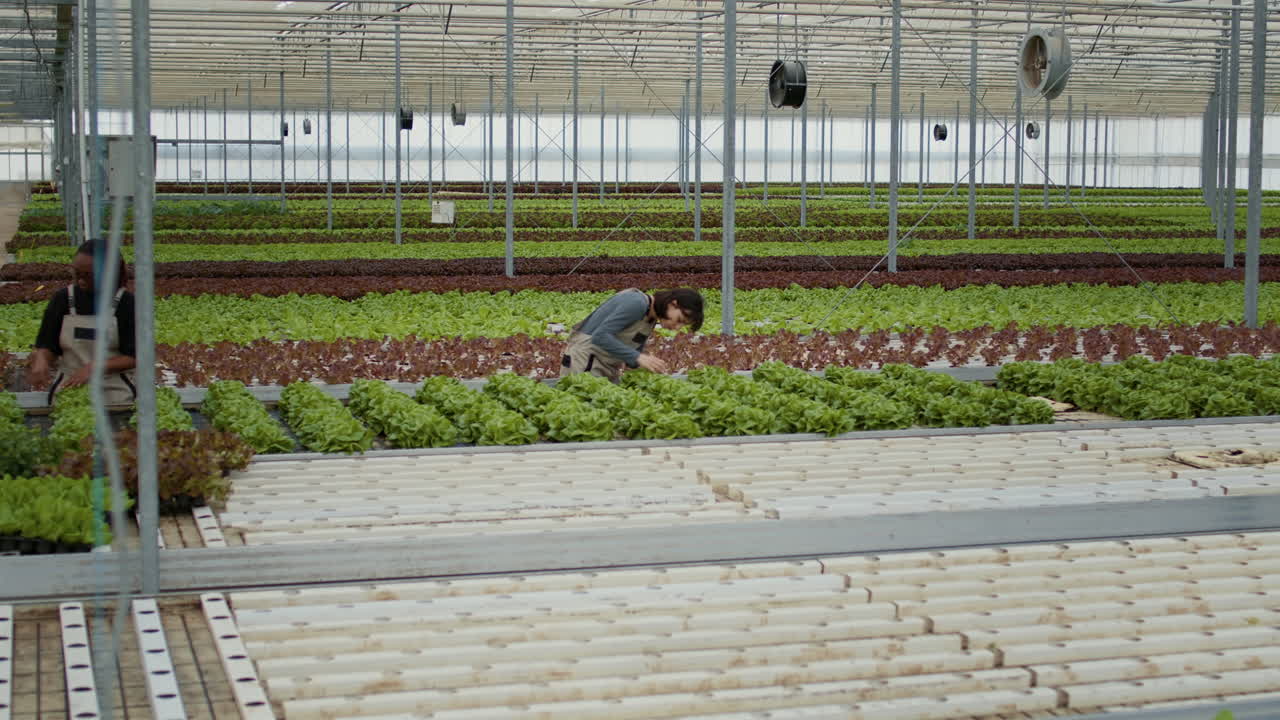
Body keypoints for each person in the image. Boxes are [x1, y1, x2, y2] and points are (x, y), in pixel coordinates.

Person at [27, 239, 138, 405]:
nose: (80, 280)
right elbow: (48, 345)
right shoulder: (63, 299)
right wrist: (41, 359)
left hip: (114, 392)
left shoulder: (127, 304)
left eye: (88, 275)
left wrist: (93, 368)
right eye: (76, 274)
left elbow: (136, 357)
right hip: (69, 389)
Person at [561, 287, 703, 382]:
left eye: (683, 325)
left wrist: (648, 363)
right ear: (673, 304)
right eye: (679, 320)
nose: (677, 327)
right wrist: (638, 357)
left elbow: (631, 358)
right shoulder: (637, 303)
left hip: (606, 367)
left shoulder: (651, 318)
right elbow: (600, 336)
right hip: (584, 362)